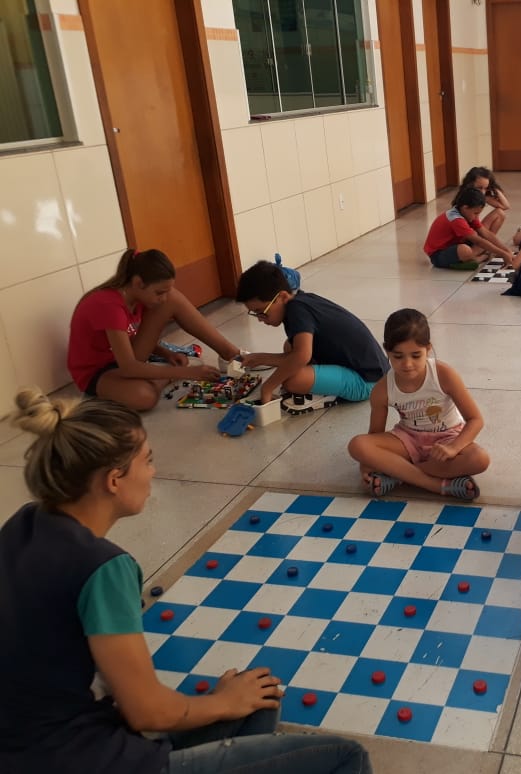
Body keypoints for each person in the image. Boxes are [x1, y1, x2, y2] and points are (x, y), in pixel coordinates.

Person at [0, 388, 372, 774]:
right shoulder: (103, 568)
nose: (153, 472)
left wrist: (223, 704)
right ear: (114, 480)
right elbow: (146, 711)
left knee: (257, 699)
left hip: (29, 748)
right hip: (83, 759)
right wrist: (220, 703)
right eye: (147, 460)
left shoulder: (23, 524)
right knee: (346, 756)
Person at [67, 248, 242, 411]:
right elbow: (128, 367)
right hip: (98, 372)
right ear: (138, 283)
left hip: (124, 358)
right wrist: (186, 373)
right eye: (159, 292)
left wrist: (165, 353)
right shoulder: (109, 306)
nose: (163, 298)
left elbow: (128, 337)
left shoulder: (136, 296)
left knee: (172, 298)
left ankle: (231, 354)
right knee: (144, 397)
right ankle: (163, 376)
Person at [348, 308, 489, 501]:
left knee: (480, 459)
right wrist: (366, 466)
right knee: (358, 445)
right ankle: (436, 485)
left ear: (428, 349)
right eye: (398, 356)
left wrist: (454, 448)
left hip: (447, 437)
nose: (407, 364)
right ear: (387, 351)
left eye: (416, 355)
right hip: (408, 439)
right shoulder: (382, 389)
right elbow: (374, 436)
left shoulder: (443, 374)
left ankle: (399, 475)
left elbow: (475, 420)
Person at [235, 260, 388, 408]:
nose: (260, 319)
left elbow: (301, 356)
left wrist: (268, 387)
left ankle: (325, 394)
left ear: (282, 297)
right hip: (369, 369)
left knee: (292, 381)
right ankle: (321, 382)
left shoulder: (297, 312)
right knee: (290, 346)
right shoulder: (300, 301)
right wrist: (261, 358)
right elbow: (298, 354)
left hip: (368, 382)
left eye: (261, 312)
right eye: (255, 313)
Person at [423, 187, 514, 270]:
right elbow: (478, 241)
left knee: (498, 214)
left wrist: (506, 251)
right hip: (438, 255)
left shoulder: (467, 213)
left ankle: (473, 257)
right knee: (465, 250)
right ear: (465, 207)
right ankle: (474, 259)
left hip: (459, 243)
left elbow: (485, 233)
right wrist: (502, 253)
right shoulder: (456, 219)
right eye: (475, 213)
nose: (477, 216)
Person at [455, 166, 510, 236]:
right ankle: (487, 241)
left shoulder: (483, 196)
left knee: (500, 213)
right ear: (470, 184)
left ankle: (489, 240)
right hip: (467, 233)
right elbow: (472, 224)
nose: (483, 192)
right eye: (479, 188)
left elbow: (505, 206)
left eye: (486, 188)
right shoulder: (466, 197)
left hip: (475, 228)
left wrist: (494, 187)